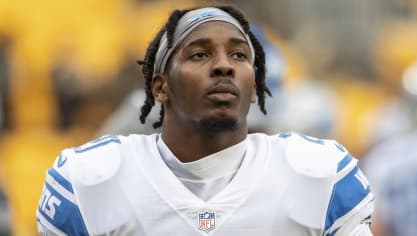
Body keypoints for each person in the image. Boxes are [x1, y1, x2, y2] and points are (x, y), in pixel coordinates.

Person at [36, 5, 374, 235]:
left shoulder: (320, 175)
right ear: (160, 86)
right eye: (200, 54)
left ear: (255, 88)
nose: (224, 65)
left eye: (239, 55)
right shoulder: (90, 180)